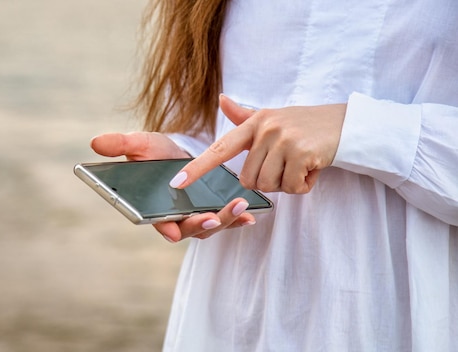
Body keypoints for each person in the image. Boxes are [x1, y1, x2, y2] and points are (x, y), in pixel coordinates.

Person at [90, 0, 458, 350]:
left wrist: (355, 128)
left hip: (395, 319)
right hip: (231, 320)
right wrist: (187, 158)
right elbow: (213, 123)